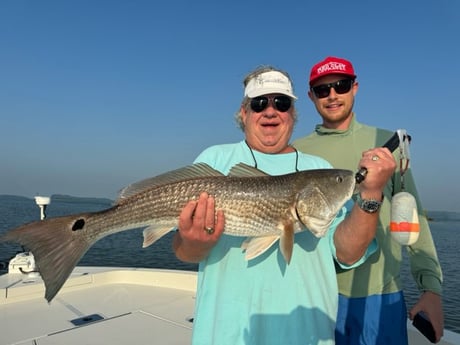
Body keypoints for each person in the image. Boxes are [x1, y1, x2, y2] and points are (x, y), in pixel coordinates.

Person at [172, 65, 396, 345]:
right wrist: (196, 242)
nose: (270, 111)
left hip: (306, 335)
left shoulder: (318, 167)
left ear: (292, 114)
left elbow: (348, 254)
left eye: (281, 103)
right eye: (258, 103)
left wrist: (371, 194)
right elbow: (184, 251)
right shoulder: (214, 161)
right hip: (227, 334)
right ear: (244, 113)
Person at [292, 56, 444, 344]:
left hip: (380, 294)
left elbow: (412, 219)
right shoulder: (295, 152)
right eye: (323, 90)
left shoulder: (389, 146)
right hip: (314, 292)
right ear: (311, 96)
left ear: (355, 87)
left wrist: (431, 288)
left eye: (341, 85)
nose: (333, 95)